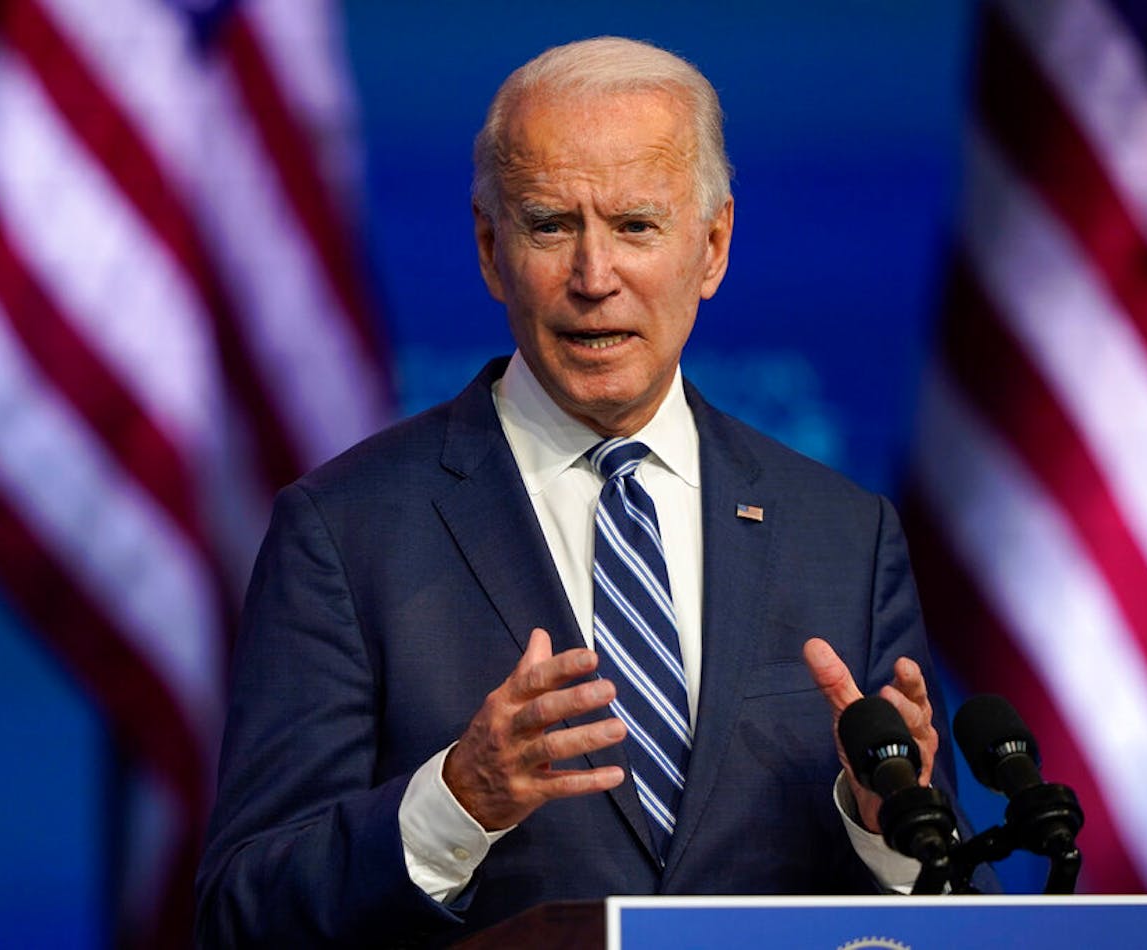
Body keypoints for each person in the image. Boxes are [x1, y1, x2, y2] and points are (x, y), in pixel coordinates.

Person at [196, 36, 975, 947]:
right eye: (550, 226)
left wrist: (885, 839)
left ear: (713, 245)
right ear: (491, 250)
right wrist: (455, 802)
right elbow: (242, 917)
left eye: (637, 226)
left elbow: (955, 904)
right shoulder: (344, 532)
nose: (594, 278)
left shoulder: (842, 534)